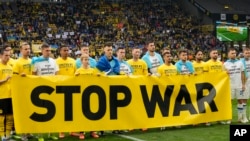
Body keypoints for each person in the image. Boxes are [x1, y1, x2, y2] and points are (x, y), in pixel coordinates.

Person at [31, 43, 59, 141]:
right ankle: (40, 135)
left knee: (52, 113)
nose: (49, 52)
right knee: (41, 114)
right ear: (42, 51)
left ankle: (50, 133)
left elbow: (57, 74)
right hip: (40, 90)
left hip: (51, 90)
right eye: (47, 51)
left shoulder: (53, 61)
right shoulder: (36, 61)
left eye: (50, 50)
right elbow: (33, 75)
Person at [12, 42, 34, 140]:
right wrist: (20, 77)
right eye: (25, 49)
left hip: (31, 90)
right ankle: (23, 134)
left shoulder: (32, 61)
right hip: (22, 91)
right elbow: (14, 77)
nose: (28, 50)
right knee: (23, 113)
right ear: (21, 50)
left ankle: (29, 132)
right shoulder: (17, 62)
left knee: (30, 112)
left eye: (29, 48)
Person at [55, 44, 76, 139]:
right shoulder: (56, 62)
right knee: (61, 111)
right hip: (61, 89)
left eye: (67, 50)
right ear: (60, 51)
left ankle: (72, 130)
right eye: (64, 50)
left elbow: (76, 73)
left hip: (72, 89)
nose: (66, 52)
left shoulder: (73, 61)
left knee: (72, 111)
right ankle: (61, 131)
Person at [127, 47, 148, 131]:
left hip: (141, 87)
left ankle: (142, 124)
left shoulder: (143, 63)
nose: (137, 53)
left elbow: (145, 74)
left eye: (139, 52)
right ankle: (131, 125)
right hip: (131, 87)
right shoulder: (127, 62)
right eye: (136, 52)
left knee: (141, 107)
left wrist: (148, 75)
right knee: (131, 107)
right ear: (132, 52)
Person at [224, 47, 246, 124]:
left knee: (240, 100)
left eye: (235, 53)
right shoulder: (225, 64)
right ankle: (229, 118)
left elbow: (243, 74)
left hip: (239, 85)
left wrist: (243, 84)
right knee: (229, 102)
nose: (234, 54)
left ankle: (240, 118)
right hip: (230, 86)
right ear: (228, 54)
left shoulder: (240, 62)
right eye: (232, 53)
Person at [0, 48, 14, 141]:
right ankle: (2, 136)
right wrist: (4, 80)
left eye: (9, 55)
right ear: (1, 56)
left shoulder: (10, 67)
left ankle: (8, 136)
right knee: (1, 117)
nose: (8, 57)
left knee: (10, 116)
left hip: (11, 95)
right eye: (6, 55)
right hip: (1, 96)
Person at [241, 47, 250, 122]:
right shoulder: (240, 62)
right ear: (243, 53)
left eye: (249, 53)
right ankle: (244, 117)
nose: (248, 54)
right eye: (246, 53)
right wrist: (243, 84)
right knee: (244, 99)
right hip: (245, 82)